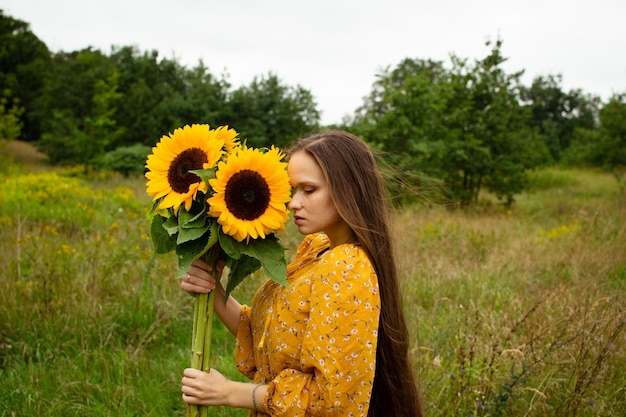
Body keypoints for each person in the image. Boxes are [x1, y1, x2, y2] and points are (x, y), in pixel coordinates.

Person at [180, 130, 424, 417]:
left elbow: (332, 401)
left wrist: (231, 392)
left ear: (349, 189)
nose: (294, 202)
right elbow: (270, 339)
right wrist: (215, 292)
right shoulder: (316, 250)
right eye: (294, 189)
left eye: (309, 190)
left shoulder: (346, 266)